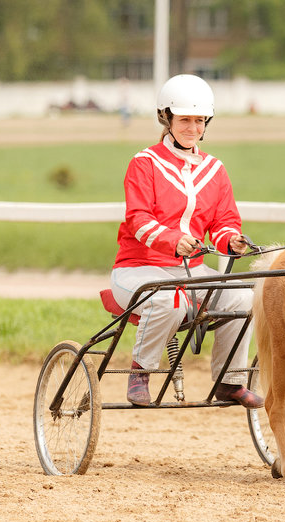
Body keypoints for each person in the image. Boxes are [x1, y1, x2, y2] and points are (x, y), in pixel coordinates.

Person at [111, 74, 263, 409]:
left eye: (198, 121)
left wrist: (232, 241)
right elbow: (138, 219)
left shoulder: (215, 170)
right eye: (184, 120)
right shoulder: (144, 164)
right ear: (166, 118)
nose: (192, 128)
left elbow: (223, 223)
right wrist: (172, 240)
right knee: (170, 300)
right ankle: (141, 371)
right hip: (137, 269)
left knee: (242, 298)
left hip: (191, 271)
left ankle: (230, 381)